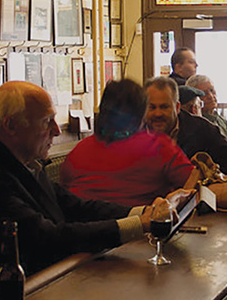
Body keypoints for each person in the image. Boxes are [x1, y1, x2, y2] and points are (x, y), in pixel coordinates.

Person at [0, 81, 180, 286]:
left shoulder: (22, 164)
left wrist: (144, 213)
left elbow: (77, 207)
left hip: (42, 286)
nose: (57, 131)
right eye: (47, 121)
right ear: (11, 126)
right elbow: (47, 239)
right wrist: (139, 225)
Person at [60, 79, 193, 208]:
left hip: (81, 227)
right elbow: (195, 185)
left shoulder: (77, 152)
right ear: (142, 114)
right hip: (137, 227)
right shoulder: (159, 147)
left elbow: (64, 195)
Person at [143, 77, 227, 173]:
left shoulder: (203, 130)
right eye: (152, 107)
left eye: (164, 107)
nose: (158, 113)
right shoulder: (133, 133)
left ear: (177, 108)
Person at [186, 74, 227, 161]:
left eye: (212, 90)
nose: (210, 96)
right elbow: (224, 154)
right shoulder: (200, 125)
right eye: (204, 94)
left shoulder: (219, 118)